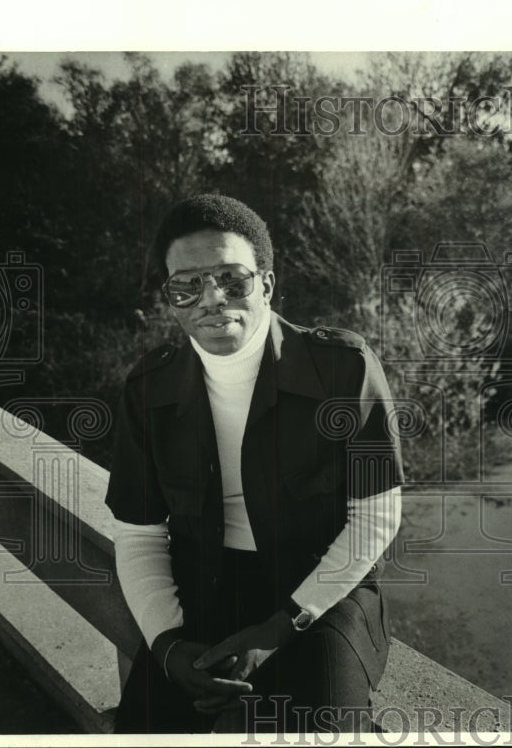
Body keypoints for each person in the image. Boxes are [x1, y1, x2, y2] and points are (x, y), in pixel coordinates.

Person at [104, 194, 404, 734]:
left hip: (322, 592)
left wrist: (282, 627)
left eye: (232, 279)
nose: (212, 299)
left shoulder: (343, 369)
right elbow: (140, 534)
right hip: (202, 590)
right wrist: (168, 645)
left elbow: (375, 518)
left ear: (266, 284)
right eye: (186, 285)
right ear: (170, 297)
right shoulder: (148, 390)